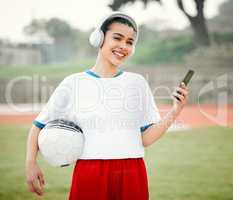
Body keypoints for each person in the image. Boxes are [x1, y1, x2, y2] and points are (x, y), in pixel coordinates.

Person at [25, 11, 188, 200]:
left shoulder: (137, 83)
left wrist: (175, 111)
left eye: (129, 42)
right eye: (117, 38)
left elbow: (146, 139)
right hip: (90, 171)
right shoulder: (73, 83)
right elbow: (38, 126)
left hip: (132, 172)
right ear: (99, 39)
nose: (123, 46)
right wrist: (31, 164)